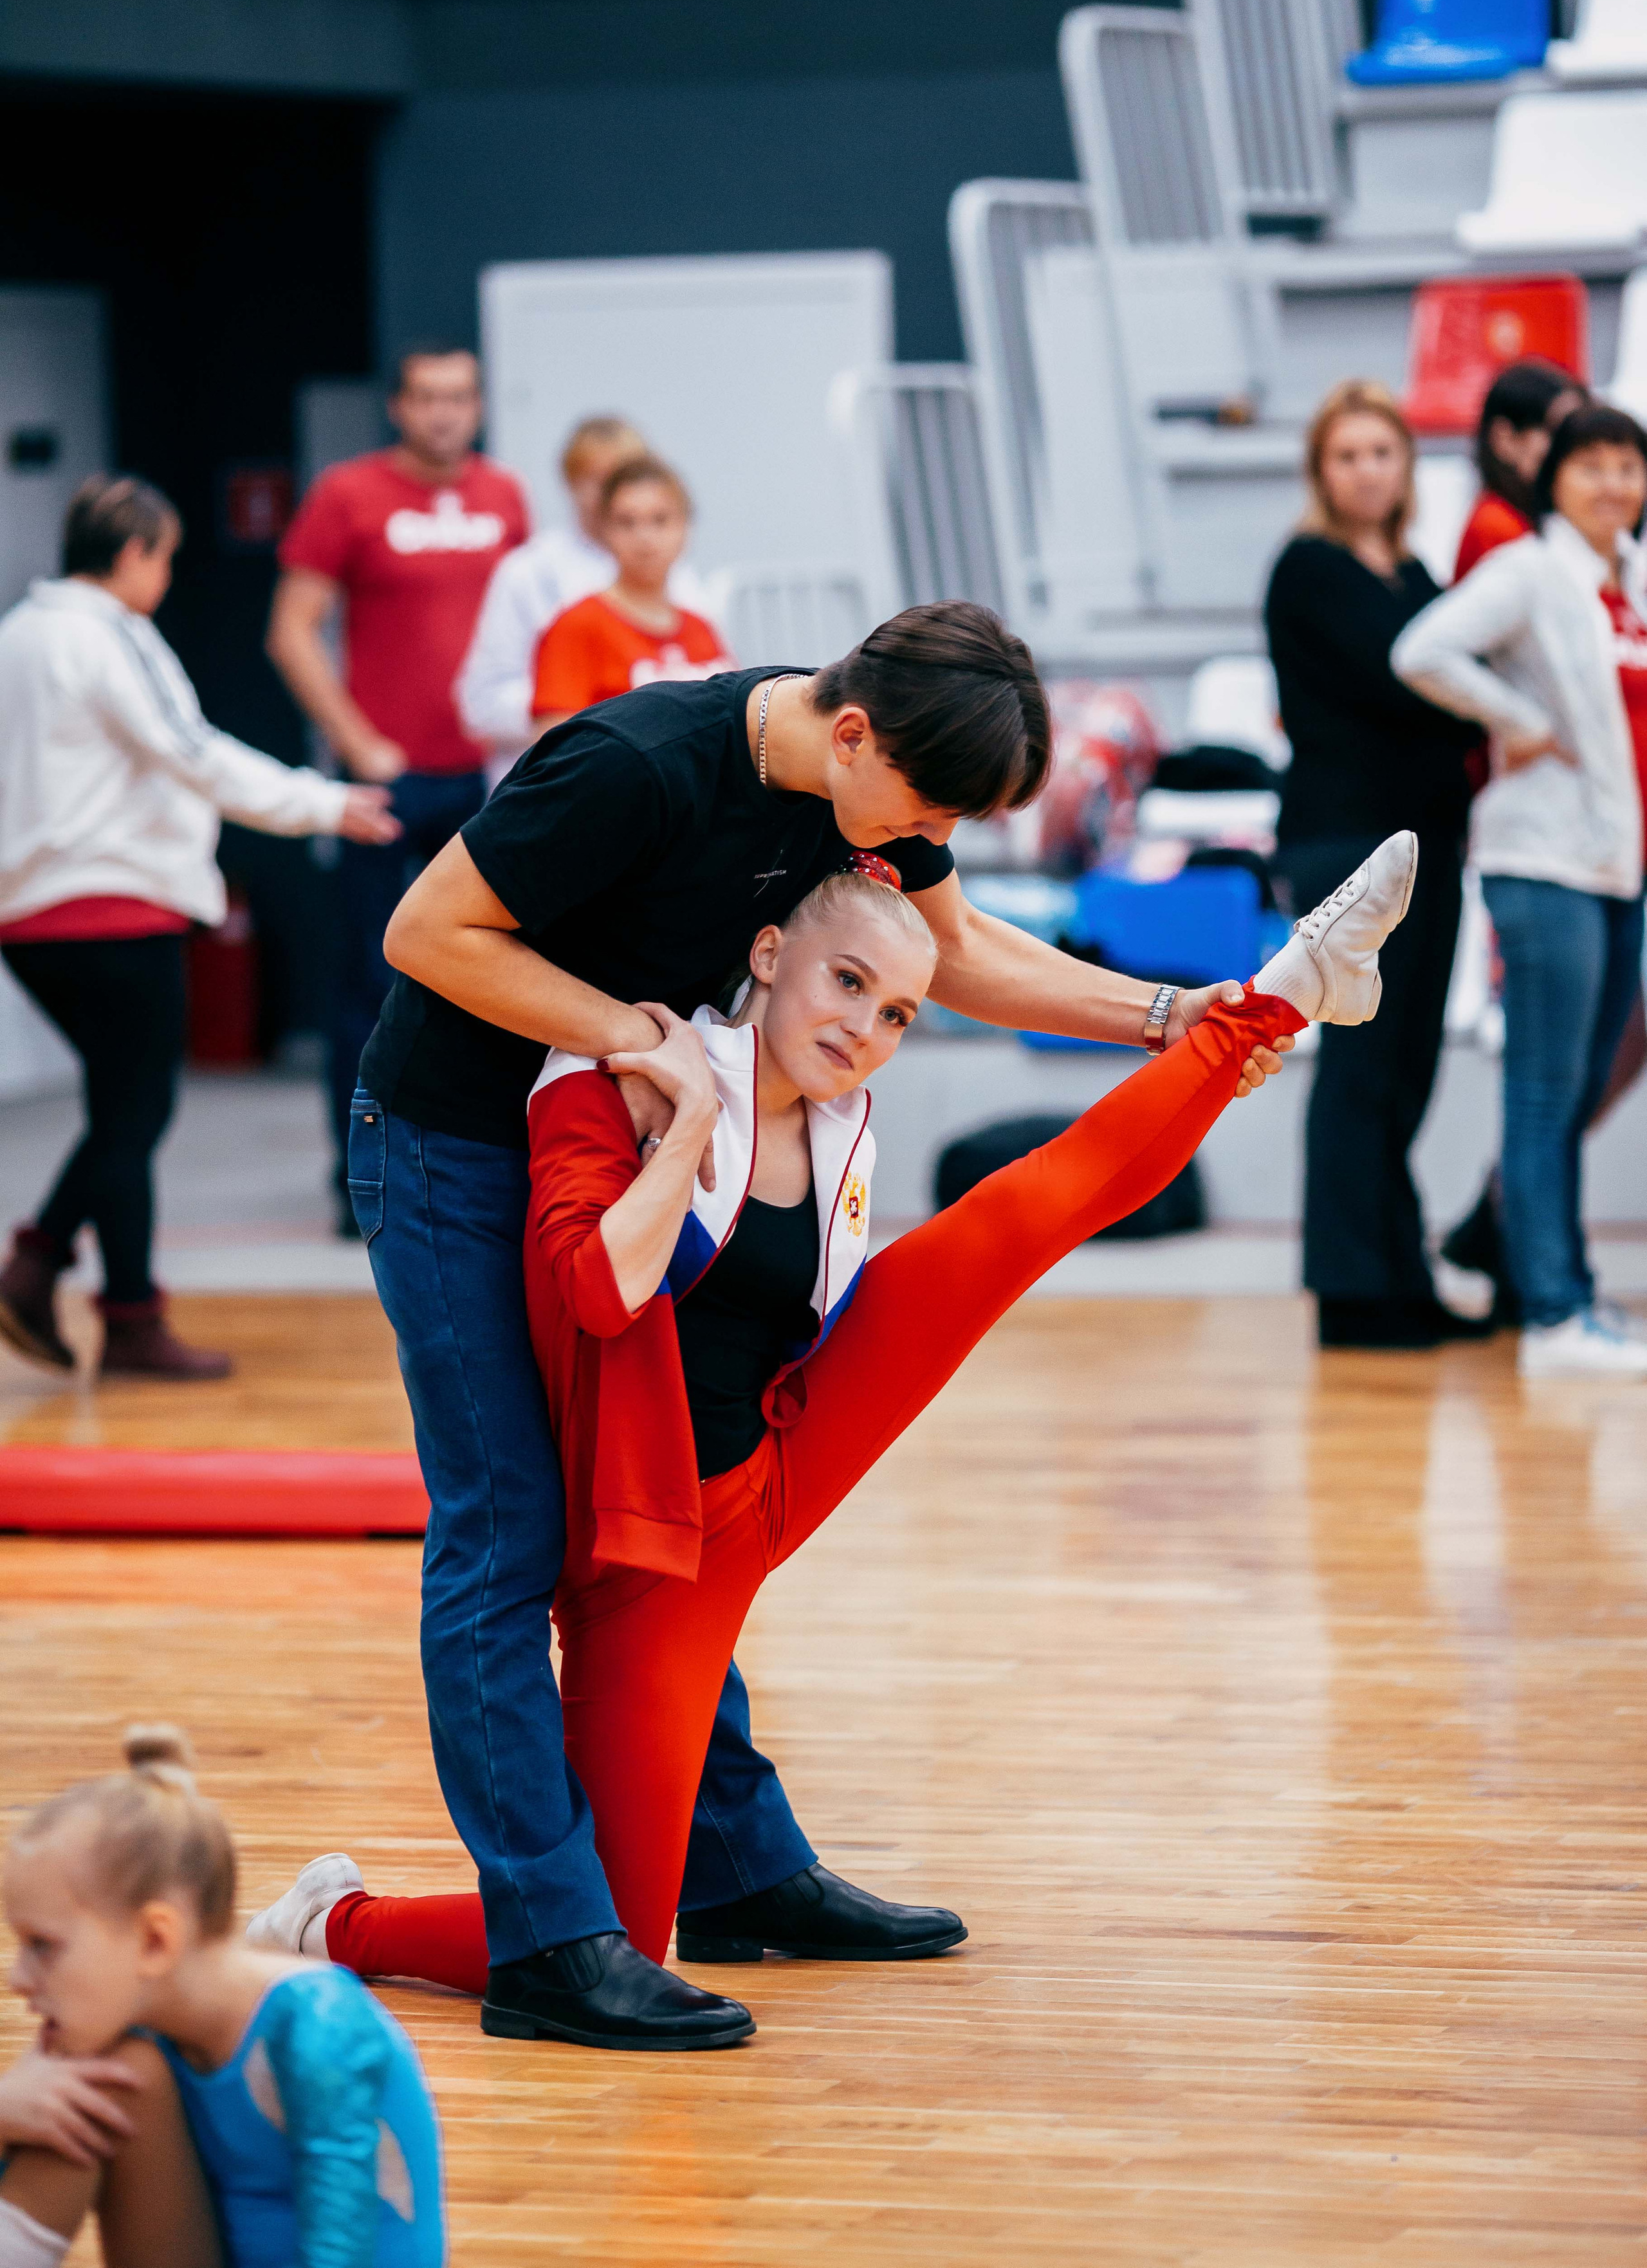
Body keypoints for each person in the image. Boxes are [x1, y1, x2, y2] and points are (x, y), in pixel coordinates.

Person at [345, 603, 1301, 2054]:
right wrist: (638, 1046)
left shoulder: (864, 793)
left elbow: (957, 946)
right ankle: (548, 1936)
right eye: (922, 810)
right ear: (848, 733)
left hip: (632, 1117)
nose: (921, 844)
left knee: (689, 1496)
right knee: (508, 1532)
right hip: (459, 1139)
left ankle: (730, 1870)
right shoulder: (634, 765)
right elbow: (427, 931)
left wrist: (1169, 1017)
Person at [252, 832, 1413, 2004]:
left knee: (1018, 1219)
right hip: (652, 1552)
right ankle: (336, 1922)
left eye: (900, 1014)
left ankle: (1279, 997)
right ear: (769, 953)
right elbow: (597, 1290)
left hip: (783, 1447)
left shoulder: (842, 1118)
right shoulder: (617, 1075)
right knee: (614, 1934)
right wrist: (694, 1121)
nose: (866, 1029)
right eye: (847, 984)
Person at [0, 476, 396, 1382]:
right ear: (134, 554)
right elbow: (191, 750)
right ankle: (67, 1282)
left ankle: (97, 1296)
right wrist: (322, 803)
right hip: (113, 903)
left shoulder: (16, 635)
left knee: (122, 1111)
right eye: (167, 559)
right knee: (135, 1112)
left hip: (28, 914)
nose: (168, 578)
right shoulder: (108, 635)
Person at [1392, 403, 1647, 1378]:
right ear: (1557, 480)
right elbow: (1423, 650)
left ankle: (1566, 1289)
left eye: (1628, 466)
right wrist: (1518, 721)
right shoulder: (1530, 570)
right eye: (1593, 466)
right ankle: (1550, 1313)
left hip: (1616, 862)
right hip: (1544, 862)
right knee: (1546, 1092)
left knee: (1580, 1085)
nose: (1614, 484)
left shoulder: (1628, 584)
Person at [0, 1723, 444, 2267]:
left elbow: (343, 2246)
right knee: (82, 2087)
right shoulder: (127, 2021)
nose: (17, 1978)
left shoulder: (317, 2028)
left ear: (154, 1940)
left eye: (42, 1946)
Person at [268, 345, 529, 1231]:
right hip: (388, 781)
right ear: (398, 406)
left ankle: (472, 1166)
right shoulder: (349, 493)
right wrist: (356, 742)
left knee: (494, 977)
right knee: (367, 982)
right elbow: (292, 631)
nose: (444, 413)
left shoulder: (504, 496)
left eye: (459, 396)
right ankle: (360, 1178)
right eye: (427, 397)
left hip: (487, 778)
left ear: (480, 404)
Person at [1264, 381, 1488, 1351]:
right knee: (1363, 1065)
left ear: (1407, 468)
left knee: (1408, 1064)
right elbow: (1415, 678)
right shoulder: (1309, 569)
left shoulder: (1416, 574)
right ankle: (1352, 1290)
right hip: (1346, 843)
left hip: (1425, 844)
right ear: (1323, 471)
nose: (1367, 469)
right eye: (1347, 453)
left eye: (1382, 452)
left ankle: (1400, 1272)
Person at [456, 416, 713, 784]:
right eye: (594, 478)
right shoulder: (533, 575)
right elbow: (481, 703)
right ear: (570, 483)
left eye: (625, 475)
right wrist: (603, 700)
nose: (611, 490)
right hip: (568, 777)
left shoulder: (683, 588)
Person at [529, 457, 731, 732]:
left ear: (685, 527)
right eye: (626, 522)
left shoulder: (701, 628)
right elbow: (553, 750)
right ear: (605, 531)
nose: (644, 537)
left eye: (660, 520)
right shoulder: (576, 626)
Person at [1453, 359, 1590, 583]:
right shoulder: (1497, 528)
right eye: (1559, 433)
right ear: (1504, 440)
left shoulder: (1535, 521)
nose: (1574, 448)